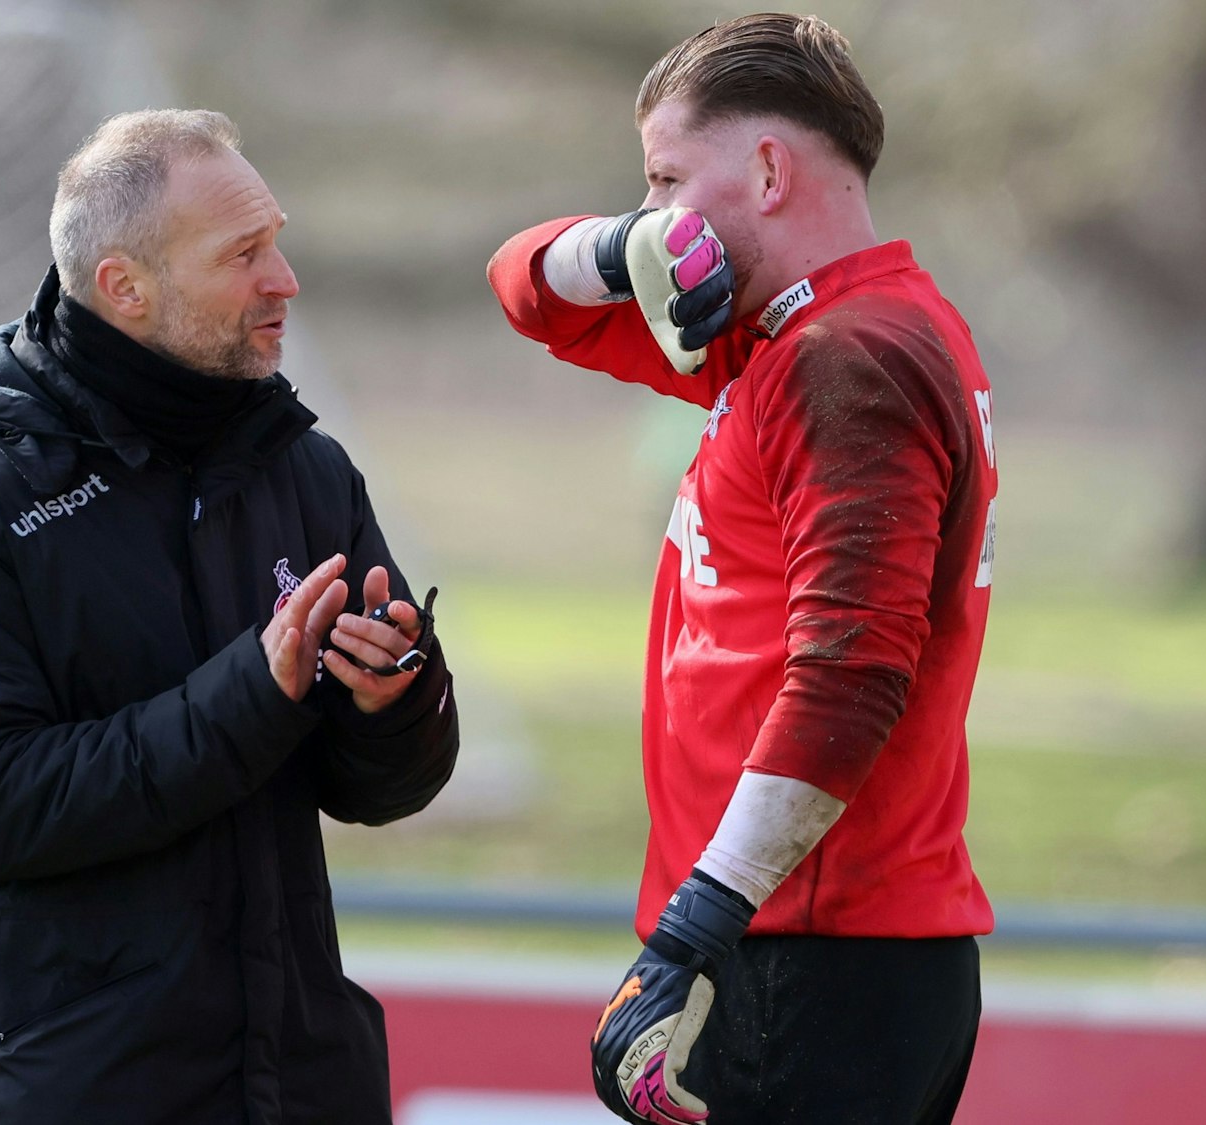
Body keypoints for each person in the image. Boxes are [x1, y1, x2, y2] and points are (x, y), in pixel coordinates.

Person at [0, 108, 459, 1124]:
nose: (284, 279)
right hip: (68, 1096)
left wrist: (393, 699)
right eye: (242, 254)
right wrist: (252, 693)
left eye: (277, 241)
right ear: (125, 288)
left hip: (300, 1087)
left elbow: (379, 789)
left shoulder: (304, 469)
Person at [487, 14, 995, 1124]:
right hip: (818, 946)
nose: (656, 212)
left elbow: (850, 673)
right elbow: (525, 290)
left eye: (668, 179)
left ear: (768, 170)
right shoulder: (797, 330)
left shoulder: (843, 354)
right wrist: (620, 248)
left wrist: (694, 927)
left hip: (800, 951)